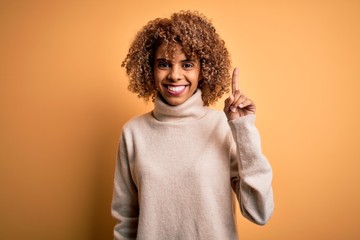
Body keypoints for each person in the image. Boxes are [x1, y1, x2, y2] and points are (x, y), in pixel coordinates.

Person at [111, 10, 274, 240]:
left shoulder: (223, 127)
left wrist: (243, 130)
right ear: (150, 68)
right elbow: (126, 221)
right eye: (164, 64)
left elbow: (260, 212)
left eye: (187, 64)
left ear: (203, 70)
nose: (175, 75)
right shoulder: (133, 133)